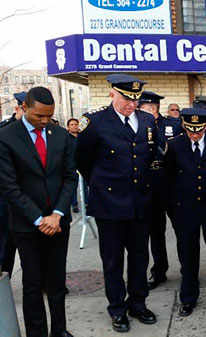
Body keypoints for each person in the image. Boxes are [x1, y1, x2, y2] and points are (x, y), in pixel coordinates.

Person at [75, 74, 158, 333]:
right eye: (125, 99)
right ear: (113, 93)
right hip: (110, 204)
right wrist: (102, 186)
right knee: (112, 261)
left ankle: (138, 303)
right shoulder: (96, 122)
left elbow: (150, 156)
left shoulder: (146, 120)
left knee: (139, 257)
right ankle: (117, 309)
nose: (130, 105)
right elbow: (82, 161)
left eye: (135, 100)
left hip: (140, 203)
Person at [0, 87, 78, 337]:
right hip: (26, 224)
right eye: (39, 116)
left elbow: (69, 178)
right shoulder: (6, 137)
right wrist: (38, 218)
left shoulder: (61, 135)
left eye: (49, 116)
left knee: (57, 282)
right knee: (32, 283)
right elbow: (9, 186)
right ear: (24, 108)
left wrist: (56, 214)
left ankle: (59, 330)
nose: (44, 121)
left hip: (58, 221)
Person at [163, 108, 206, 316]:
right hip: (186, 209)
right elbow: (166, 179)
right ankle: (188, 297)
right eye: (191, 130)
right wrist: (173, 211)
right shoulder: (174, 145)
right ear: (184, 126)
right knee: (188, 256)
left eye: (199, 130)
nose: (195, 134)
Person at [138, 90, 184, 290]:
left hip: (172, 183)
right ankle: (159, 271)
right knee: (155, 232)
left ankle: (187, 268)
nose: (141, 110)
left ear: (153, 108)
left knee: (182, 229)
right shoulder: (137, 126)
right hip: (149, 184)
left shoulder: (173, 125)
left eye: (144, 107)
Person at [0, 91, 26, 277]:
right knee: (5, 246)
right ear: (18, 108)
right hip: (5, 202)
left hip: (30, 200)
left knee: (31, 250)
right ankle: (4, 281)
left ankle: (40, 282)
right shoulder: (3, 131)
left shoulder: (42, 131)